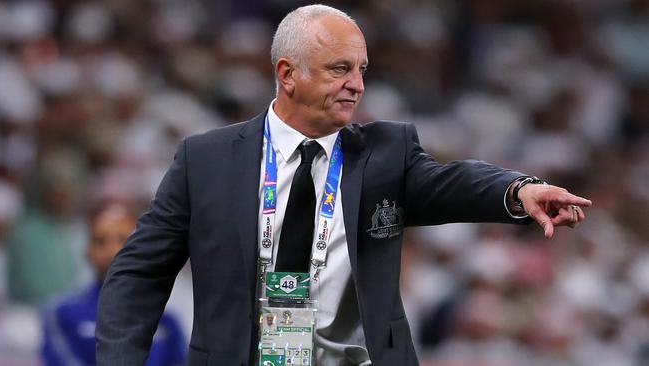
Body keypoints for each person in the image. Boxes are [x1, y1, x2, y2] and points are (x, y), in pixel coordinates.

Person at [96, 5, 591, 366]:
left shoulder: (384, 152)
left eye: (361, 70)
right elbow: (140, 273)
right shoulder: (204, 160)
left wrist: (518, 190)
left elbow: (449, 181)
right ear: (287, 75)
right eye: (340, 69)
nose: (357, 83)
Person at [42, 204, 186, 365]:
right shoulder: (61, 315)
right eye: (100, 241)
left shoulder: (167, 321)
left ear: (142, 250)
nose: (111, 250)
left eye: (122, 240)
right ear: (88, 251)